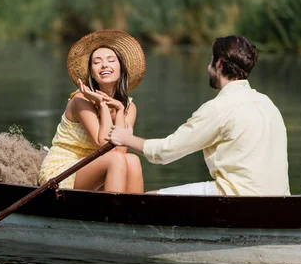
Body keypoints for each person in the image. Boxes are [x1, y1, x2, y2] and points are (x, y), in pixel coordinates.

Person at [108, 35, 290, 196]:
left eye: (211, 59)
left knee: (147, 201)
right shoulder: (267, 103)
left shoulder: (219, 108)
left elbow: (165, 152)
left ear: (218, 63)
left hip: (237, 197)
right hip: (279, 201)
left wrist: (125, 138)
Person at [39, 30, 146, 193]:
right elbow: (103, 143)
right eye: (97, 62)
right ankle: (110, 215)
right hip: (62, 171)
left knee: (132, 160)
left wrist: (118, 109)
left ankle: (135, 216)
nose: (104, 65)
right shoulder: (81, 100)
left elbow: (121, 149)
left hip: (101, 166)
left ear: (121, 69)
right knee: (116, 160)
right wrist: (102, 105)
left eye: (111, 60)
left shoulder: (128, 107)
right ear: (92, 74)